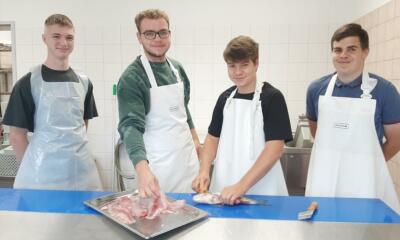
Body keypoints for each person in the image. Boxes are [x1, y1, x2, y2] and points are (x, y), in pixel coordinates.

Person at [305, 23, 400, 213]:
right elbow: (316, 130)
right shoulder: (316, 89)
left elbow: (396, 139)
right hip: (325, 178)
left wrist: (369, 163)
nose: (343, 55)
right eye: (337, 50)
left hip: (365, 182)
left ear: (365, 52)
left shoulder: (384, 90)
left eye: (351, 49)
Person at [2, 14, 102, 191]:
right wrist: (33, 168)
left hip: (81, 172)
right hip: (41, 175)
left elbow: (83, 123)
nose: (64, 43)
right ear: (44, 39)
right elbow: (17, 135)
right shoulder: (28, 83)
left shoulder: (84, 82)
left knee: (82, 218)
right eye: (56, 36)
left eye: (69, 37)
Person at [192, 36, 292, 205]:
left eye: (244, 65)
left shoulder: (272, 97)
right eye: (232, 66)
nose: (237, 72)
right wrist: (204, 170)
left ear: (256, 63)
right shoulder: (225, 98)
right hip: (225, 187)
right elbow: (212, 138)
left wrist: (241, 187)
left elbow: (274, 149)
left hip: (263, 188)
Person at [117, 9, 200, 197]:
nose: (157, 38)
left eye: (163, 32)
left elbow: (183, 108)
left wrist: (195, 140)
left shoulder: (177, 69)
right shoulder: (132, 78)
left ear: (169, 34)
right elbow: (130, 128)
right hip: (158, 170)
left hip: (188, 165)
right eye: (149, 33)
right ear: (139, 37)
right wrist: (142, 170)